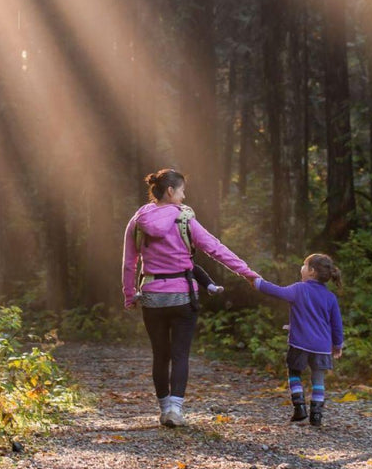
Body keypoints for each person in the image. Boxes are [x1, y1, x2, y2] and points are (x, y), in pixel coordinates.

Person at [123, 168, 260, 427]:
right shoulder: (184, 219)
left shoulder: (138, 220)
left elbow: (129, 263)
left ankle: (164, 410)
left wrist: (130, 294)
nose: (184, 197)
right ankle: (175, 409)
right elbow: (215, 248)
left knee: (160, 354)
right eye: (182, 191)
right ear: (171, 191)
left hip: (152, 296)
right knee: (180, 354)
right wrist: (247, 273)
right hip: (183, 296)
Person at [253, 254, 344, 427]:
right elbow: (337, 325)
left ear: (311, 271)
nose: (301, 268)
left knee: (294, 373)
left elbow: (277, 291)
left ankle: (300, 408)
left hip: (299, 343)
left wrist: (257, 282)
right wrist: (337, 345)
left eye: (304, 265)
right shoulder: (330, 297)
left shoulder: (299, 289)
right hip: (322, 347)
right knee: (318, 379)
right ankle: (316, 415)